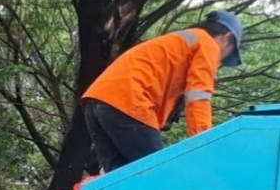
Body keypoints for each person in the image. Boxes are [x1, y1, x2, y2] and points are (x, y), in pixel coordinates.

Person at [78, 10, 244, 178]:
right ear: (227, 37)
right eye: (227, 52)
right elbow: (198, 97)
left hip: (97, 100)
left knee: (118, 181)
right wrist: (202, 146)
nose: (220, 60)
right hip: (129, 102)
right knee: (159, 177)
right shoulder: (207, 44)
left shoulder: (180, 40)